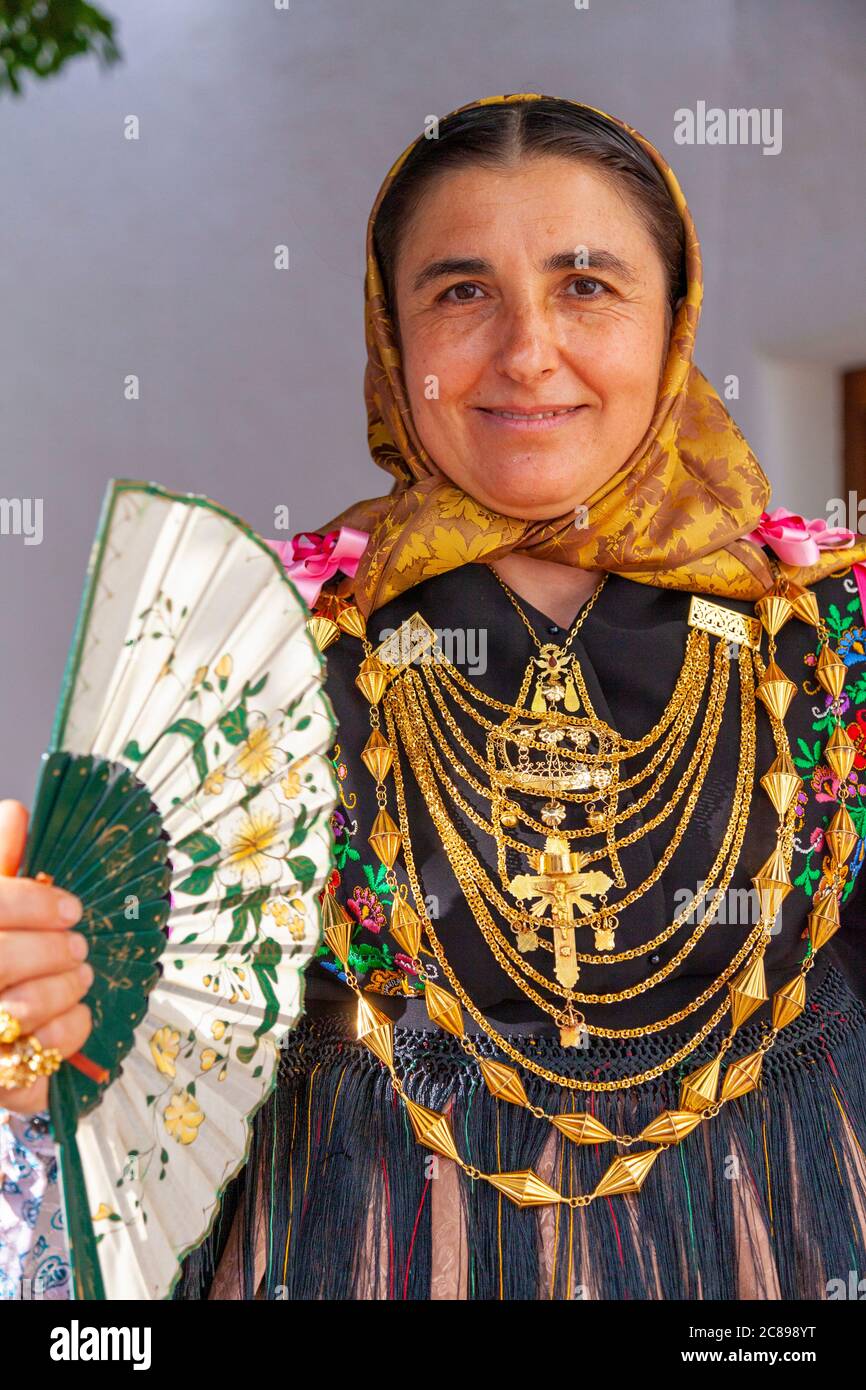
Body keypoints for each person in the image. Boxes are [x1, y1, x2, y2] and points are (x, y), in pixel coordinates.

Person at [3, 92, 866, 1302]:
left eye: (585, 285)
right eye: (460, 291)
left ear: (671, 319)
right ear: (389, 335)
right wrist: (44, 1034)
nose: (523, 349)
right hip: (348, 1245)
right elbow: (148, 1083)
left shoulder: (829, 632)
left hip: (780, 1246)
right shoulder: (253, 656)